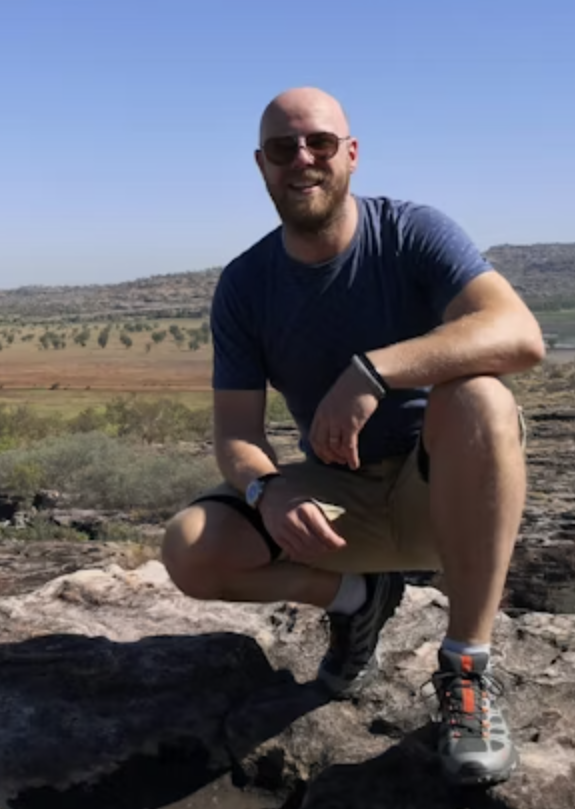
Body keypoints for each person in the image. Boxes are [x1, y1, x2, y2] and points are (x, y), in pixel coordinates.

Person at [161, 86, 545, 788]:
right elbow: (237, 436)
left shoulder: (412, 234)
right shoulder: (247, 286)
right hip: (345, 504)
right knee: (191, 548)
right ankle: (358, 601)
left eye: (320, 144)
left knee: (483, 402)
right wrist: (266, 489)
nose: (302, 159)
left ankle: (467, 669)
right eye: (283, 149)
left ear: (353, 155)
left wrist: (373, 371)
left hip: (444, 492)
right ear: (261, 166)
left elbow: (520, 334)